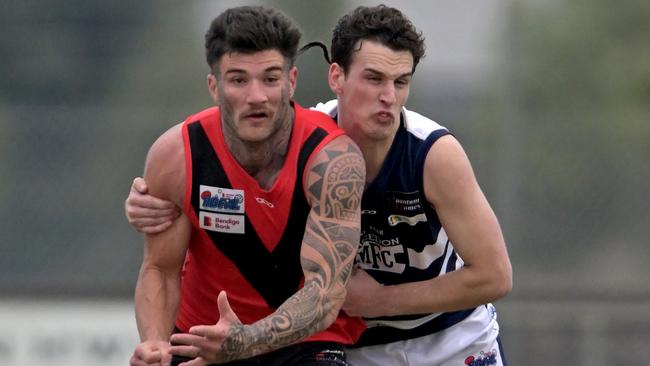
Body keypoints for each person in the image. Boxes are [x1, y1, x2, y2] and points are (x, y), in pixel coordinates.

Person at [126, 5, 512, 366]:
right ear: (336, 78)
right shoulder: (304, 141)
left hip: (453, 339)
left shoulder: (432, 155)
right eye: (374, 78)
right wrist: (145, 199)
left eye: (401, 81)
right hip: (363, 347)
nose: (388, 97)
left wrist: (381, 300)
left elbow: (495, 275)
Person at [127, 6, 366, 366]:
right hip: (201, 339)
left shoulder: (331, 159)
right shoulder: (177, 155)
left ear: (292, 82)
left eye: (270, 79)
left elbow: (325, 296)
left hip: (305, 341)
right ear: (214, 87)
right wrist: (156, 342)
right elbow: (160, 269)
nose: (256, 96)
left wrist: (245, 341)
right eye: (238, 80)